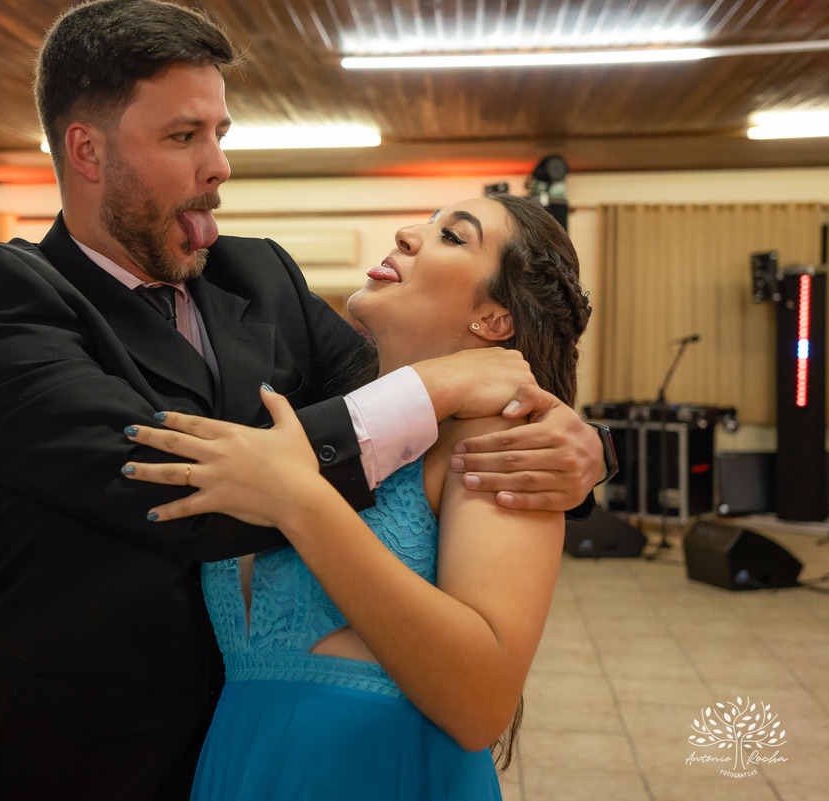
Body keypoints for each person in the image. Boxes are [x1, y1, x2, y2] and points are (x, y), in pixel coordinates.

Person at [0, 2, 605, 798]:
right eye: (184, 137)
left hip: (247, 754)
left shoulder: (261, 279)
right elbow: (182, 481)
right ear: (87, 150)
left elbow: (410, 398)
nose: (217, 166)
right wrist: (441, 383)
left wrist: (575, 438)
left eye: (220, 134)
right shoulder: (2, 297)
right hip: (75, 760)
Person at [123, 193, 588, 798]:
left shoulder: (500, 444)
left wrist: (300, 502)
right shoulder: (327, 418)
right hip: (241, 764)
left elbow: (480, 705)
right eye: (425, 221)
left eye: (453, 236)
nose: (406, 233)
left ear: (495, 319)